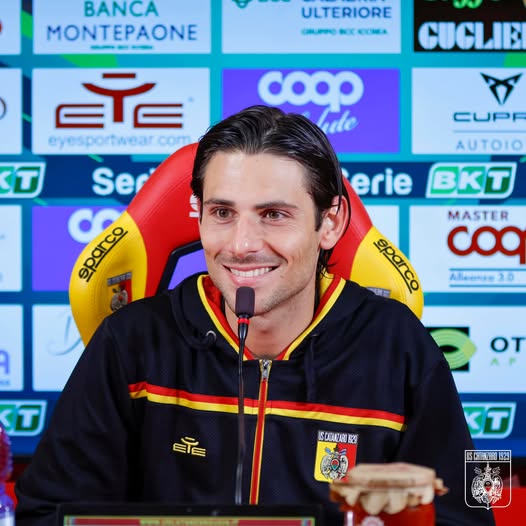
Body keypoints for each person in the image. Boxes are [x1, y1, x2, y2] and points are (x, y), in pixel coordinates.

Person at [15, 105, 495, 526]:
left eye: (273, 215)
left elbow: (472, 513)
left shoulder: (402, 346)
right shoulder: (130, 342)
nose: (242, 245)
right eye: (222, 213)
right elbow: (48, 512)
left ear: (330, 223)